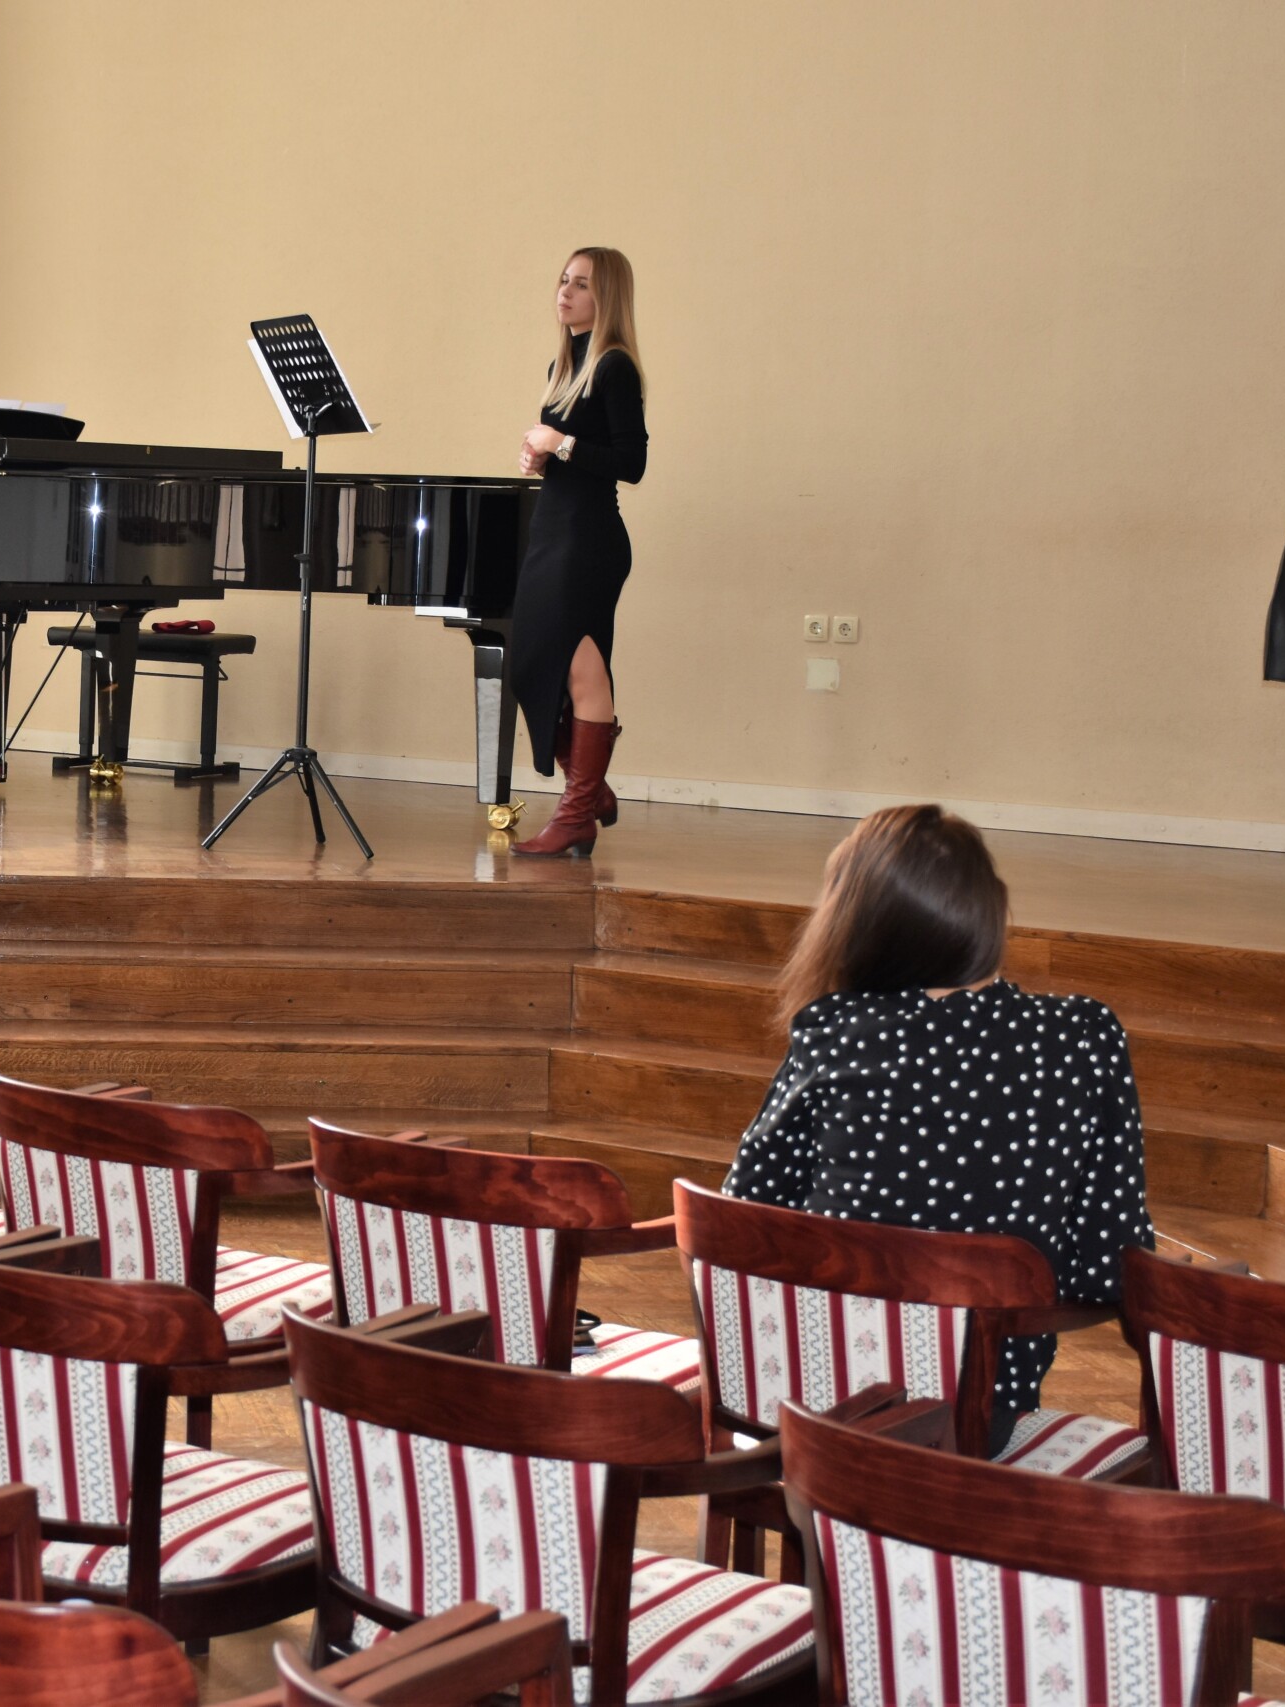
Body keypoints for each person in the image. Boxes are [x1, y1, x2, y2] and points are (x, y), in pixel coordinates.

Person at [722, 805, 1156, 1453]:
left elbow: (742, 1221)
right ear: (990, 911)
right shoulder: (1081, 1037)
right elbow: (1106, 1266)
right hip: (978, 1424)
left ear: (857, 923)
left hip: (821, 1408)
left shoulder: (833, 1031)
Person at [511, 248, 649, 857]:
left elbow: (631, 464)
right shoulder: (563, 366)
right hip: (554, 532)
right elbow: (572, 458)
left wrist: (560, 442)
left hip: (589, 540)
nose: (565, 293)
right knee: (527, 664)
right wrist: (542, 458)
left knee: (584, 672)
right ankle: (590, 792)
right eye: (563, 281)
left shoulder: (615, 367)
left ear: (606, 297)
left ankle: (575, 816)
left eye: (581, 284)